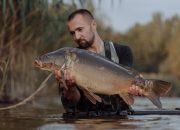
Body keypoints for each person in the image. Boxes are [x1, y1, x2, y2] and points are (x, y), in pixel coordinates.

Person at [53, 9, 143, 117]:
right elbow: (71, 102)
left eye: (80, 29)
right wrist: (70, 88)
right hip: (86, 122)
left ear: (93, 24)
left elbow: (127, 79)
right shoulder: (68, 59)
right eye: (72, 33)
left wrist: (135, 88)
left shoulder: (122, 51)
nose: (76, 36)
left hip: (119, 121)